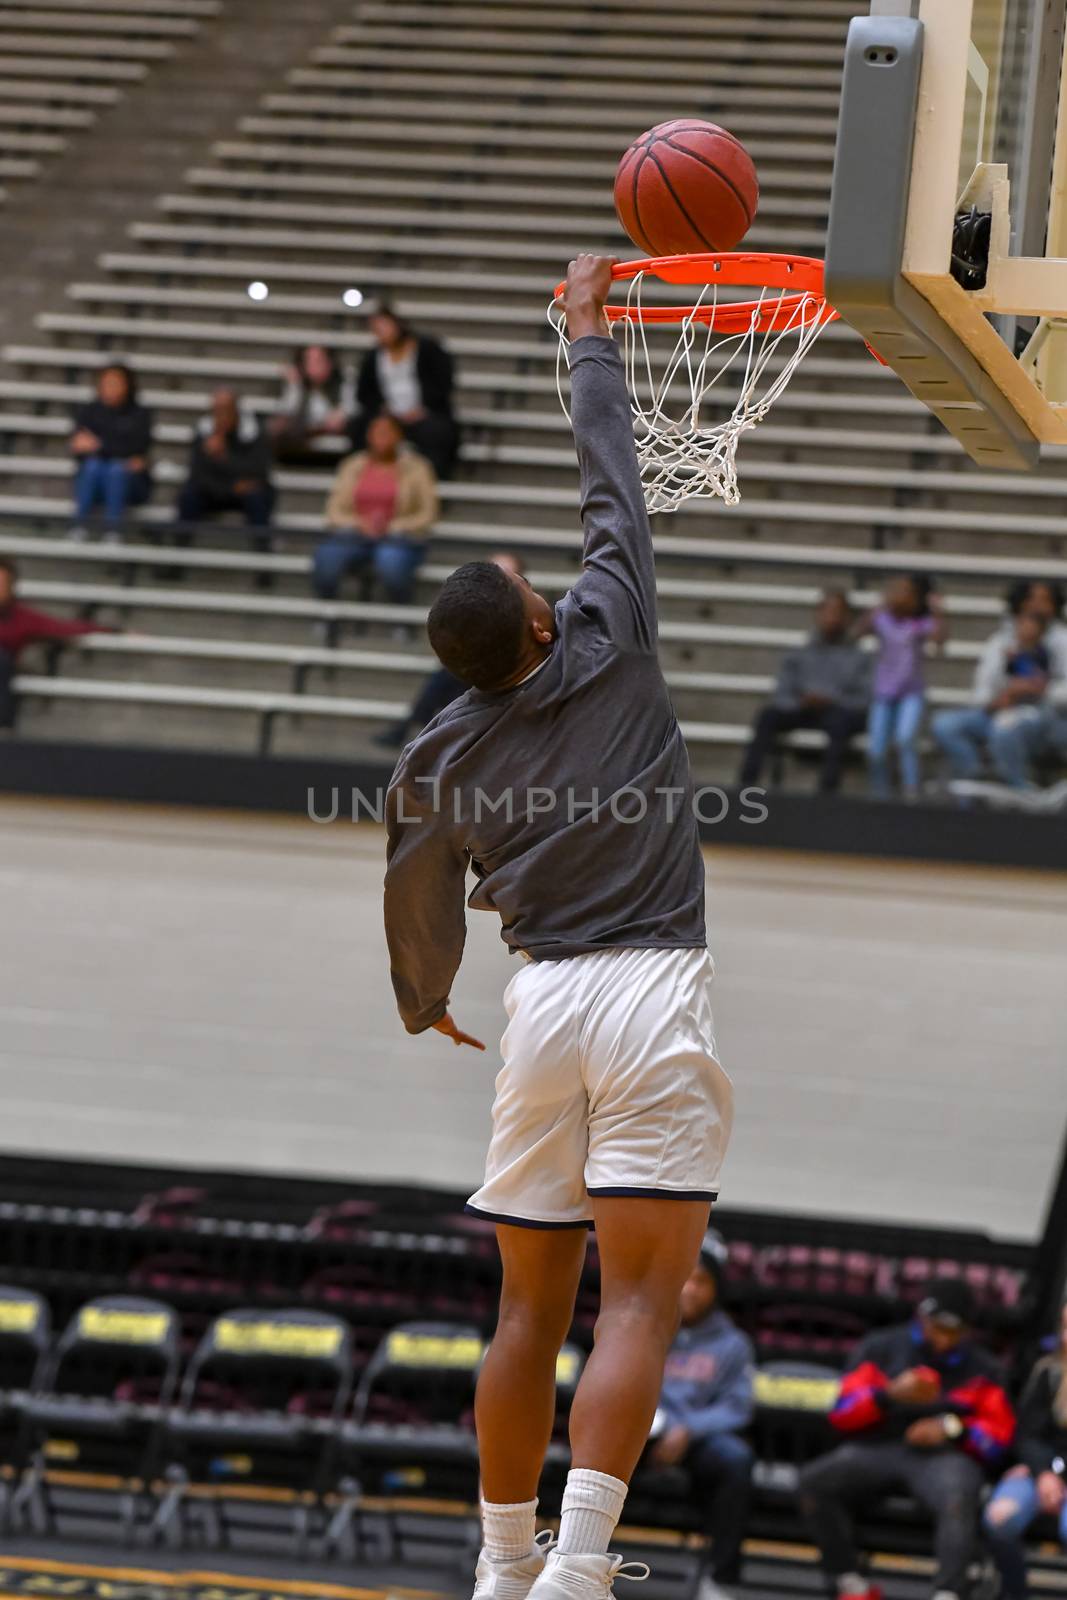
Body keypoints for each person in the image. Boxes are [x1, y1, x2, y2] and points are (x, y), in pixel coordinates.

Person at [384, 255, 734, 1600]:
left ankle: (502, 1565)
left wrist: (425, 997)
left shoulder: (436, 753)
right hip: (647, 990)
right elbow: (609, 475)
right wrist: (585, 326)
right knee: (637, 1301)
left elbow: (411, 886)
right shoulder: (610, 632)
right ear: (541, 619)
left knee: (523, 1308)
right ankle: (580, 1569)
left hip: (536, 1012)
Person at [798, 1280, 1014, 1600]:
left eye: (951, 1330)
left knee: (958, 1494)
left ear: (966, 1330)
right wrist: (886, 1396)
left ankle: (947, 1593)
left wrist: (954, 1429)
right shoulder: (881, 1347)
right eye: (934, 1325)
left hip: (943, 1456)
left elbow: (1000, 1439)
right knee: (815, 1481)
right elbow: (840, 1413)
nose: (940, 1337)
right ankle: (849, 1582)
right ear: (921, 1318)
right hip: (877, 1447)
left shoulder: (985, 1368)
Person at [642, 1231, 754, 1600]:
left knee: (736, 1459)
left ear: (716, 1289)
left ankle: (719, 1580)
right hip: (640, 1432)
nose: (689, 1289)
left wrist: (687, 1430)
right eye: (683, 1279)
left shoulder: (733, 1344)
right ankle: (570, 1556)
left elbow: (737, 1406)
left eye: (701, 1281)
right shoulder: (645, 1326)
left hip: (695, 1440)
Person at [373, 553, 526, 749]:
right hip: (472, 674)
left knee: (450, 677)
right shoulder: (472, 607)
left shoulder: (526, 610)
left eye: (505, 574)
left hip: (508, 677)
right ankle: (420, 730)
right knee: (447, 675)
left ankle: (413, 729)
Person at [933, 581, 1067, 791]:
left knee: (1004, 729)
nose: (1037, 607)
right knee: (945, 725)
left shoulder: (1060, 641)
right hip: (998, 709)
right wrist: (997, 701)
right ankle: (973, 777)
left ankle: (1020, 788)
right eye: (1032, 600)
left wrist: (1040, 689)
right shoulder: (1001, 641)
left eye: (1045, 601)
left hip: (1041, 715)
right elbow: (983, 688)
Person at [737, 590, 870, 792]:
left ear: (847, 617)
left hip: (838, 713)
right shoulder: (799, 653)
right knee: (768, 715)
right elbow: (782, 692)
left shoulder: (860, 657)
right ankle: (745, 786)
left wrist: (831, 700)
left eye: (837, 612)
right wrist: (802, 702)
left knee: (841, 724)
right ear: (817, 614)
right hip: (802, 709)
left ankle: (827, 793)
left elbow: (864, 698)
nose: (831, 617)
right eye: (826, 611)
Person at [983, 1301, 1067, 1600]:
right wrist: (1043, 1473)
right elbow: (1027, 1434)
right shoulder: (1049, 1371)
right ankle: (1013, 1594)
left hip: (1054, 1473)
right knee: (999, 1518)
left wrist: (1056, 1472)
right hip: (1042, 1472)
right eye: (1065, 1327)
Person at [313, 413, 437, 605]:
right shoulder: (352, 465)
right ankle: (326, 614)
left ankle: (401, 612)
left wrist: (393, 526)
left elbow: (428, 514)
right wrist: (359, 523)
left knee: (391, 560)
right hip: (356, 533)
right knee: (326, 557)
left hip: (399, 537)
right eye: (376, 432)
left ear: (399, 436)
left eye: (387, 432)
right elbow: (333, 510)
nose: (381, 437)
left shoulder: (418, 468)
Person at [855, 574, 947, 800]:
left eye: (906, 592)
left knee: (906, 739)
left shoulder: (918, 624)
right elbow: (857, 632)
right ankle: (880, 793)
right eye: (896, 591)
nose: (900, 596)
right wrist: (880, 605)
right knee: (876, 749)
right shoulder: (883, 619)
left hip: (911, 693)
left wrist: (938, 611)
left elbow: (939, 640)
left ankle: (911, 790)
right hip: (884, 692)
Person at [0, 556, 113, 729]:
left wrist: (116, 631)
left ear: (12, 587)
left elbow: (64, 628)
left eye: (2, 583)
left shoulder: (22, 618)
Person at [353, 304, 459, 478]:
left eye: (385, 326)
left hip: (424, 414)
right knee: (360, 426)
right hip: (389, 416)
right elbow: (364, 392)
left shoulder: (427, 348)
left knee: (438, 432)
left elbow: (443, 383)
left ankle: (434, 479)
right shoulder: (373, 357)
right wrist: (384, 410)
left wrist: (423, 408)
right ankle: (365, 479)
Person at [176, 389, 276, 551]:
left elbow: (259, 471)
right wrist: (231, 487)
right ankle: (177, 556)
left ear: (236, 410)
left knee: (258, 497)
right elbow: (197, 473)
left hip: (244, 495)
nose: (221, 416)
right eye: (217, 410)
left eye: (226, 410)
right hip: (214, 491)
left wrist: (224, 458)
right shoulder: (203, 432)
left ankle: (263, 560)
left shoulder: (255, 431)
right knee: (189, 496)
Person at [70, 364, 153, 540]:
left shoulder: (139, 414)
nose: (111, 388)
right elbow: (79, 448)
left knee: (116, 469)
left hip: (130, 483)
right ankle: (79, 527)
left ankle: (113, 530)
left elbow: (137, 450)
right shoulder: (89, 411)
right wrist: (116, 448)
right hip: (96, 478)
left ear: (128, 385)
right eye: (107, 382)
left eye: (116, 383)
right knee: (93, 466)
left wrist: (99, 446)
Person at [271, 345, 355, 467]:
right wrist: (294, 386)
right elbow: (287, 413)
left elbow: (348, 410)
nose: (314, 366)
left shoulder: (344, 381)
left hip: (339, 447)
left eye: (319, 361)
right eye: (308, 361)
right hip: (302, 446)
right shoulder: (298, 387)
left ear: (330, 363)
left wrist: (338, 416)